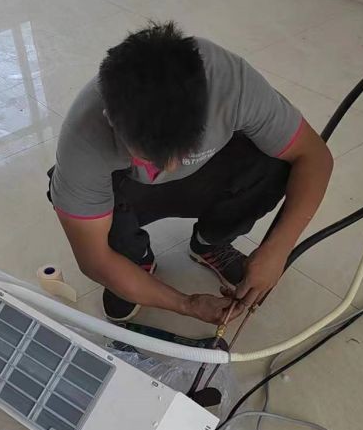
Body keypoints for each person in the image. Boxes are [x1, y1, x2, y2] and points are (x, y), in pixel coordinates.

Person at [47, 21, 333, 325]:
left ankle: (211, 241)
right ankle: (134, 261)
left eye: (184, 148)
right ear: (112, 121)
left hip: (206, 176)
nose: (170, 167)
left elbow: (314, 157)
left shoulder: (230, 85)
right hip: (126, 196)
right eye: (150, 157)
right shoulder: (83, 141)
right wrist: (187, 304)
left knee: (276, 161)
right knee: (86, 214)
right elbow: (95, 260)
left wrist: (278, 249)